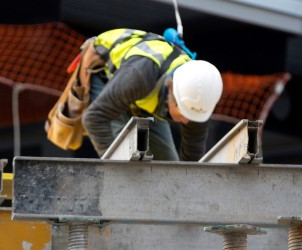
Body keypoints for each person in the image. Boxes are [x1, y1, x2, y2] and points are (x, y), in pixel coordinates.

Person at [81, 28, 223, 161]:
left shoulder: (197, 99)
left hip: (145, 93)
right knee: (124, 160)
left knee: (169, 167)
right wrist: (114, 168)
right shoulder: (139, 75)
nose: (186, 121)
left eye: (191, 116)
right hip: (108, 76)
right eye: (181, 110)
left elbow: (192, 156)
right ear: (171, 89)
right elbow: (94, 117)